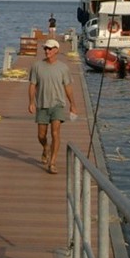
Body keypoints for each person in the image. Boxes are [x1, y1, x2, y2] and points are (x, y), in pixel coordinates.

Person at [28, 39, 77, 174]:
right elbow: (32, 85)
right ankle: (45, 147)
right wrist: (31, 102)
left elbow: (68, 87)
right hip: (42, 104)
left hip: (57, 105)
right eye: (45, 49)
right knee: (41, 135)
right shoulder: (37, 66)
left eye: (49, 49)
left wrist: (73, 104)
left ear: (56, 50)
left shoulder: (63, 68)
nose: (47, 51)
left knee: (55, 133)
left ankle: (53, 162)